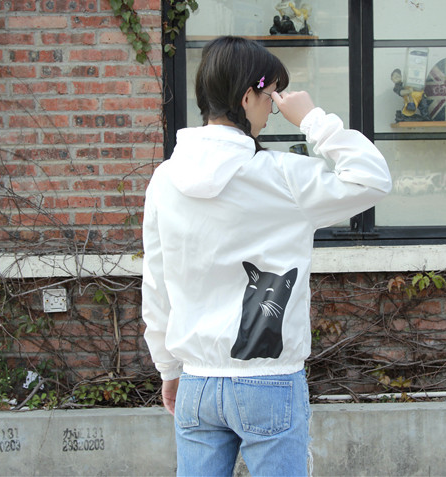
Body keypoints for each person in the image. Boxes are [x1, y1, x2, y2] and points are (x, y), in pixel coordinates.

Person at [141, 36, 392, 476]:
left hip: (197, 381)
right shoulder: (283, 177)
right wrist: (312, 119)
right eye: (270, 98)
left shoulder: (165, 179)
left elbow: (156, 283)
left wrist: (167, 368)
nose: (271, 111)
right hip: (268, 380)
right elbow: (371, 178)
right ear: (246, 98)